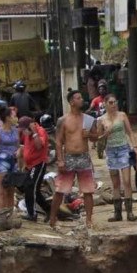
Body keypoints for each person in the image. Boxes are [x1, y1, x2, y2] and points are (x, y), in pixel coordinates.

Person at [51, 91, 98, 229]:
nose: (82, 100)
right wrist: (60, 160)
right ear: (72, 102)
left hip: (84, 156)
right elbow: (58, 142)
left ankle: (89, 220)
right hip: (69, 157)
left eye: (81, 97)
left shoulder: (88, 119)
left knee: (88, 190)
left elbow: (96, 137)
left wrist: (89, 134)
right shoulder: (63, 120)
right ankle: (53, 217)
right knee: (60, 190)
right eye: (78, 98)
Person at [97, 93, 137, 222]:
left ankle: (130, 212)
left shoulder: (122, 115)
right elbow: (98, 139)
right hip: (111, 150)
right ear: (105, 104)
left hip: (123, 148)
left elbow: (130, 132)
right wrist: (104, 134)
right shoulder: (101, 119)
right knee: (115, 183)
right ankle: (117, 213)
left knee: (126, 181)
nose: (113, 105)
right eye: (110, 103)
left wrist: (134, 146)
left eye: (115, 102)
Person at [16, 116, 50, 222]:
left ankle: (32, 214)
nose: (24, 133)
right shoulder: (27, 134)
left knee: (30, 188)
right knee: (33, 189)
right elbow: (25, 147)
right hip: (30, 165)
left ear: (30, 127)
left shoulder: (40, 131)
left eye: (24, 129)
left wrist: (34, 132)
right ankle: (49, 210)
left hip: (39, 163)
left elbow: (39, 146)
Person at [0, 107, 20, 210]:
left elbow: (17, 146)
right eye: (13, 116)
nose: (15, 118)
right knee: (1, 193)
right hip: (1, 164)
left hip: (13, 163)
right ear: (7, 118)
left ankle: (9, 217)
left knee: (11, 192)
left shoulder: (15, 131)